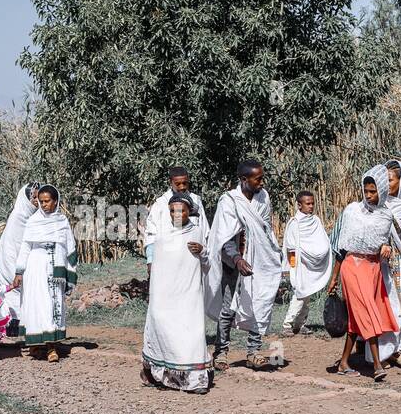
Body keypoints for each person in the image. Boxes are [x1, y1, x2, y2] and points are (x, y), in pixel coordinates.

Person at [205, 160, 281, 370]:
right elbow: (224, 237)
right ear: (243, 180)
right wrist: (237, 259)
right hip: (233, 263)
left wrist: (272, 254)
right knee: (228, 308)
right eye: (258, 179)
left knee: (260, 303)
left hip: (260, 261)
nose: (262, 183)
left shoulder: (263, 197)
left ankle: (254, 352)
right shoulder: (229, 201)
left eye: (262, 178)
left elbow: (265, 228)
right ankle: (220, 353)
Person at [328, 167, 399, 381]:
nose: (368, 195)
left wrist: (385, 247)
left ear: (383, 191)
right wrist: (334, 278)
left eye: (373, 191)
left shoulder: (386, 216)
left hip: (373, 270)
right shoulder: (352, 211)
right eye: (366, 191)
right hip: (352, 267)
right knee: (368, 311)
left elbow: (384, 244)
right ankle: (377, 365)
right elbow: (342, 247)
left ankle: (343, 363)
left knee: (358, 319)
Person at [142, 193, 211, 393]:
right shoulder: (163, 234)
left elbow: (209, 261)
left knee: (191, 334)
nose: (177, 214)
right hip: (164, 294)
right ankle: (161, 375)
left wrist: (203, 251)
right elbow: (158, 265)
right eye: (172, 210)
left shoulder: (197, 232)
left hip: (188, 293)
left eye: (181, 210)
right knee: (164, 331)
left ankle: (196, 381)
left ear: (190, 210)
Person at [367, 160, 401, 369]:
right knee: (389, 308)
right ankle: (385, 352)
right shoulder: (379, 203)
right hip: (383, 265)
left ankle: (400, 348)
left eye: (390, 180)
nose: (386, 184)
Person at [13, 186, 77, 363]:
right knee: (37, 305)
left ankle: (51, 346)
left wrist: (68, 270)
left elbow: (69, 246)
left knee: (53, 304)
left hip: (55, 268)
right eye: (41, 201)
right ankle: (36, 345)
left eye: (47, 201)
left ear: (55, 201)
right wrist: (19, 271)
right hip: (35, 267)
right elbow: (26, 246)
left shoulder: (62, 221)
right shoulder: (33, 221)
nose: (44, 204)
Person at [280, 190, 332, 336]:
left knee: (307, 295)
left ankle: (300, 324)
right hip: (299, 265)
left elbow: (321, 240)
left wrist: (318, 255)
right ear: (299, 205)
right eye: (307, 204)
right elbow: (291, 247)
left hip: (312, 266)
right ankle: (287, 325)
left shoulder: (315, 220)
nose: (311, 206)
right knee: (300, 294)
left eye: (312, 203)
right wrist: (291, 266)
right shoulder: (294, 223)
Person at [144, 167, 208, 267]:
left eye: (185, 183)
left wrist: (203, 251)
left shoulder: (196, 201)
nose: (182, 187)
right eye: (177, 184)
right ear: (171, 182)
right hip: (168, 259)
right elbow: (151, 234)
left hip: (192, 260)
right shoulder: (161, 204)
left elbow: (204, 231)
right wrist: (150, 261)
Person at [0, 184, 38, 326]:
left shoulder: (35, 217)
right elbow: (12, 247)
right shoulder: (18, 217)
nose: (37, 201)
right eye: (34, 197)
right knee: (14, 298)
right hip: (12, 265)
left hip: (25, 265)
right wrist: (17, 270)